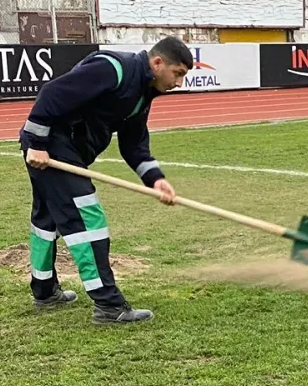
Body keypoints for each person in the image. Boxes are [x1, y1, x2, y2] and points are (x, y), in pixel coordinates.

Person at [18, 36, 193, 324]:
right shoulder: (113, 68)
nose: (179, 83)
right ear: (158, 63)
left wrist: (155, 180)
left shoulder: (141, 93)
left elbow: (134, 144)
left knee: (46, 219)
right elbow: (52, 93)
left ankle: (45, 291)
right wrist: (37, 142)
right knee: (87, 219)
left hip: (66, 149)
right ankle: (109, 305)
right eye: (178, 74)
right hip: (51, 147)